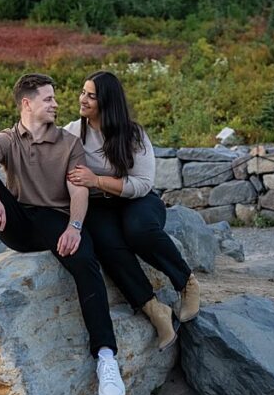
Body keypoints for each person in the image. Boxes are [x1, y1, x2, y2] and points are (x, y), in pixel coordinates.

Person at [0, 72, 126, 395]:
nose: (56, 104)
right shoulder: (8, 139)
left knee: (86, 265)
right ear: (28, 103)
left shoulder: (69, 143)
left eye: (54, 98)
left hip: (56, 222)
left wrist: (75, 227)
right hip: (19, 224)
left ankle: (106, 357)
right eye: (48, 99)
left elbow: (77, 190)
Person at [64, 71, 199, 350]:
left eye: (91, 95)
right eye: (82, 92)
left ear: (107, 102)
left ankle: (185, 282)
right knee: (107, 244)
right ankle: (154, 310)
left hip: (138, 199)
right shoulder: (73, 132)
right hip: (99, 204)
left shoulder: (132, 134)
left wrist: (96, 180)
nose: (83, 99)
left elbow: (142, 183)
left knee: (138, 231)